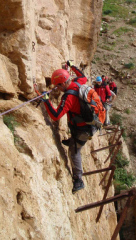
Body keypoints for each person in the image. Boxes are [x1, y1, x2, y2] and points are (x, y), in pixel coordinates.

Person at [42, 62, 90, 194]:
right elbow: (83, 76)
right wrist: (72, 66)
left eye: (58, 86)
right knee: (76, 137)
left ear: (63, 84)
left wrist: (46, 100)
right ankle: (73, 139)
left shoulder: (68, 97)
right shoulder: (78, 81)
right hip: (88, 125)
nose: (57, 89)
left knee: (74, 152)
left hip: (83, 130)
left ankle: (78, 180)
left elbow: (56, 115)